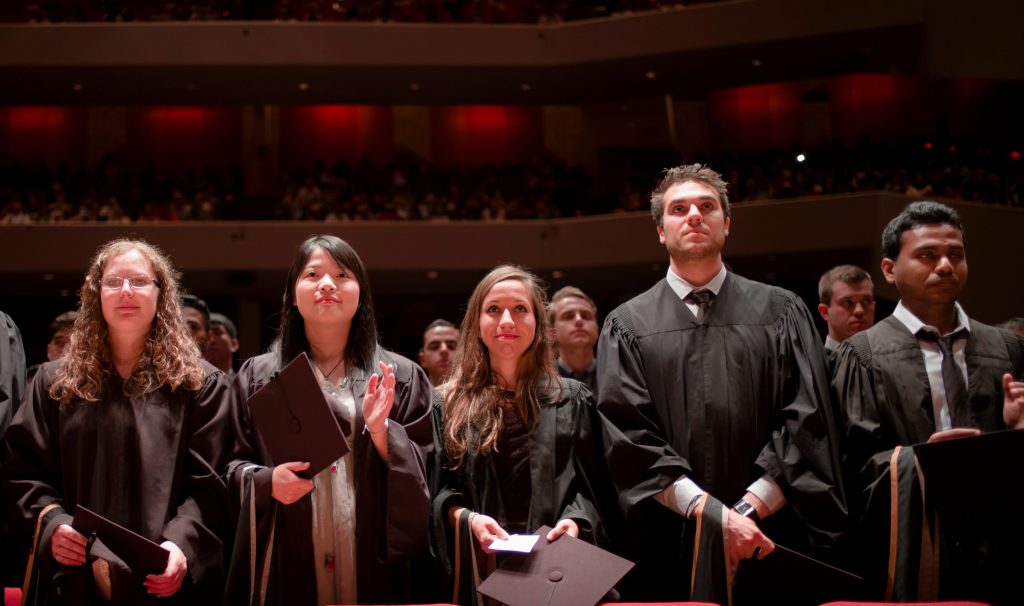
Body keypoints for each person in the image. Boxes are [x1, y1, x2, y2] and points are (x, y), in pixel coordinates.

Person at [596, 164, 847, 602]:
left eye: (707, 206)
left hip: (769, 532)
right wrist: (708, 514)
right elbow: (629, 437)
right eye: (679, 208)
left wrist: (746, 512)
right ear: (661, 230)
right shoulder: (627, 325)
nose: (694, 215)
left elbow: (807, 423)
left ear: (726, 224)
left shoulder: (781, 312)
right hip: (670, 536)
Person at [2, 239, 228, 605]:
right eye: (113, 282)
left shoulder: (199, 385)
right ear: (96, 294)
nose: (126, 291)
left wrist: (181, 542)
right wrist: (53, 525)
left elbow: (211, 483)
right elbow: (22, 473)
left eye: (139, 281)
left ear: (161, 293)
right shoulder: (54, 383)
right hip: (73, 580)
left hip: (164, 577)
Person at [221, 234, 432, 606]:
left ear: (361, 293)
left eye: (342, 274)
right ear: (292, 295)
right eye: (312, 274)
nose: (327, 284)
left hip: (369, 552)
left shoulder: (399, 374)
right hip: (290, 546)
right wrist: (268, 482)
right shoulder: (258, 376)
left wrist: (381, 432)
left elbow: (429, 470)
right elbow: (228, 464)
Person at [832, 201, 1024, 604]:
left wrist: (1016, 431)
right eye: (927, 255)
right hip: (911, 537)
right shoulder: (862, 354)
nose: (944, 266)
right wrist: (922, 462)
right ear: (889, 270)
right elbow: (852, 461)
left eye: (955, 254)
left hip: (1000, 534)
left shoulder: (1007, 348)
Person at [430, 265, 608, 606]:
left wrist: (575, 522)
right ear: (476, 324)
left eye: (520, 309)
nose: (507, 321)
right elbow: (439, 493)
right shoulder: (447, 403)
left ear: (539, 323)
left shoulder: (571, 398)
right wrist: (469, 519)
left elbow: (593, 489)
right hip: (481, 570)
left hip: (557, 571)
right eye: (493, 309)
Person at [548, 286, 599, 395]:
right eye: (568, 316)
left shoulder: (617, 378)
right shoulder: (540, 381)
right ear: (552, 333)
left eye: (586, 316)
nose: (579, 320)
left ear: (597, 329)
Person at [817, 265, 876, 351]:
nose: (859, 310)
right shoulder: (809, 363)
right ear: (825, 312)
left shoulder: (891, 360)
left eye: (867, 301)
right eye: (848, 302)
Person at [26, 311, 78, 384]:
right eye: (59, 342)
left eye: (74, 344)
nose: (66, 351)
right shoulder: (29, 382)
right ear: (49, 350)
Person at [418, 318, 459, 387]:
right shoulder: (410, 396)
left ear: (464, 356)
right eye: (435, 347)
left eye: (451, 346)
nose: (444, 350)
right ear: (422, 359)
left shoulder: (477, 396)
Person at [204, 312, 239, 378]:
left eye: (217, 332)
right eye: (206, 335)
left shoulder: (244, 385)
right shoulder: (189, 386)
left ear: (234, 344)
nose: (211, 340)